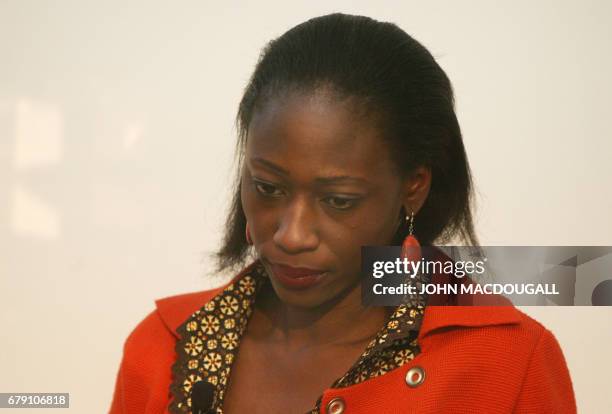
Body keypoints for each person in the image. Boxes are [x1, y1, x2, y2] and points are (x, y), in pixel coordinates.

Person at [109, 13, 576, 414]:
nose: (291, 235)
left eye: (338, 200)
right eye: (268, 187)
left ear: (413, 186)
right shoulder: (161, 347)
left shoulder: (510, 362)